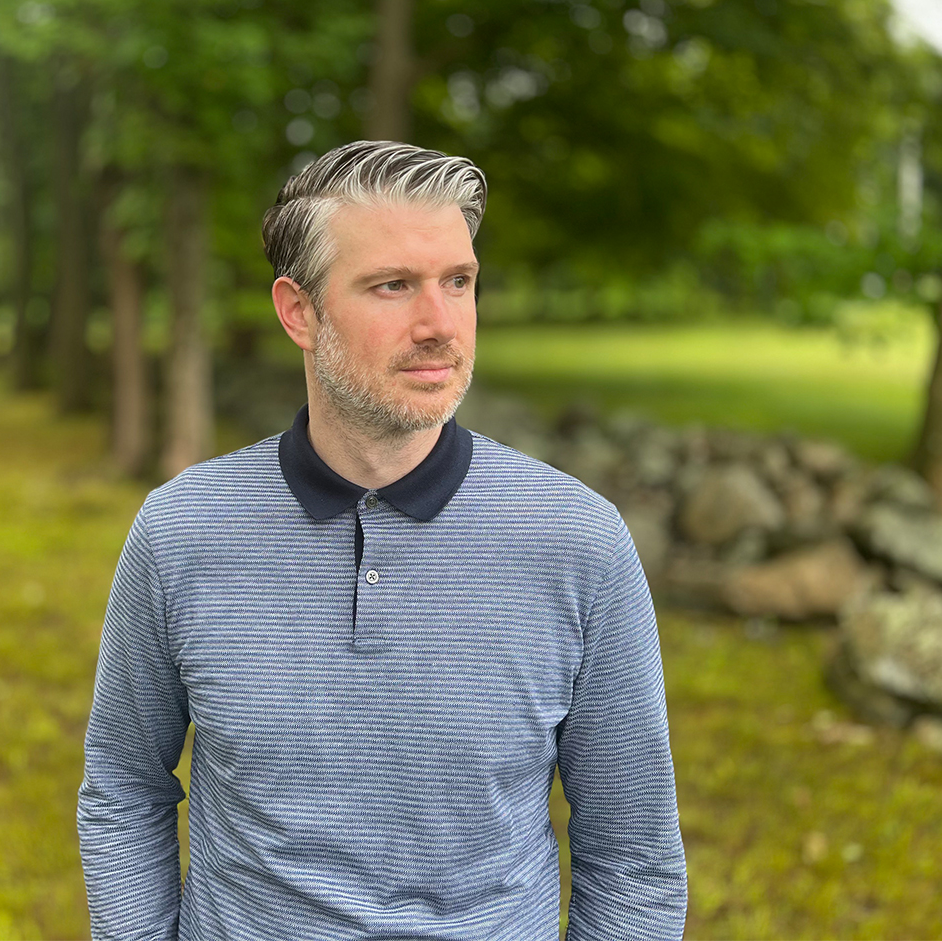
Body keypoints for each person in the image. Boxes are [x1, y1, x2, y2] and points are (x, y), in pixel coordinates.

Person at [77, 140, 688, 940]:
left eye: (458, 282)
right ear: (300, 311)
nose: (440, 325)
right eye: (393, 285)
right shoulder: (182, 532)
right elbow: (124, 788)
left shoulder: (578, 543)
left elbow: (634, 855)